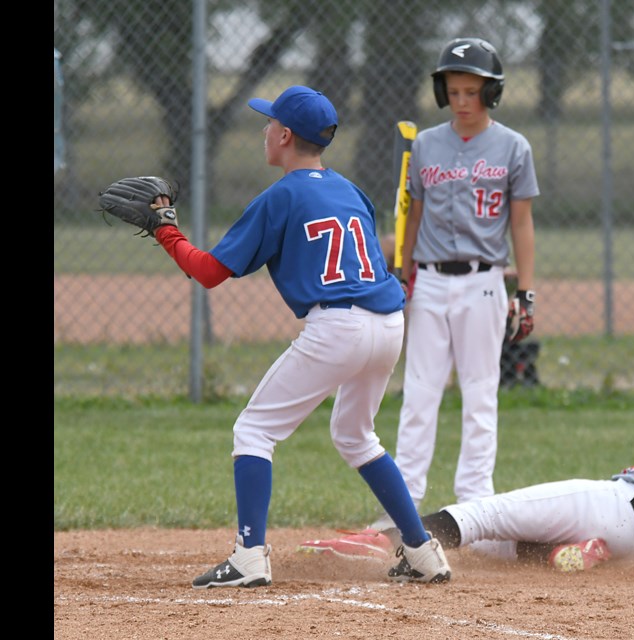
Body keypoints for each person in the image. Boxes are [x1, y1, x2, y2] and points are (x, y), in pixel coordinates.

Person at [150, 85, 451, 586]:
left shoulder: (282, 196)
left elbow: (207, 272)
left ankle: (249, 556)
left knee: (254, 431)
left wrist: (166, 229)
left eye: (270, 124)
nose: (264, 131)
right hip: (390, 323)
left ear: (285, 136)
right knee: (356, 436)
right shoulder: (349, 190)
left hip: (338, 325)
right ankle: (421, 550)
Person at [300, 340, 634, 571]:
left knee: (485, 512)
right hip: (621, 537)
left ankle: (383, 543)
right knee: (499, 548)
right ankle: (582, 555)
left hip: (615, 507)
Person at [368, 37, 539, 529]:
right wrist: (402, 274)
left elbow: (522, 223)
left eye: (472, 91)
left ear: (492, 93)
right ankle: (403, 505)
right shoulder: (425, 145)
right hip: (431, 282)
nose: (463, 101)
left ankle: (476, 506)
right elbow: (412, 215)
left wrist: (524, 292)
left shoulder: (513, 147)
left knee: (481, 392)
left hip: (485, 281)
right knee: (420, 392)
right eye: (454, 90)